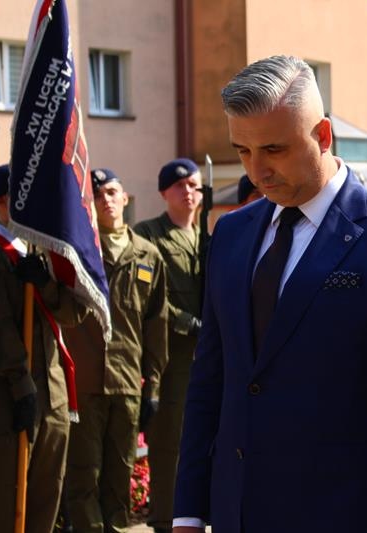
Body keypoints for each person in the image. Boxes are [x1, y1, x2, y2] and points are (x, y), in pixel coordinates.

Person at [172, 55, 367, 533]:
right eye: (243, 151)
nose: (257, 170)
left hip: (343, 512)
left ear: (323, 135)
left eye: (274, 149)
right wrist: (189, 511)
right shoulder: (232, 234)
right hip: (238, 512)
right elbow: (211, 378)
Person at [63, 169, 168, 532]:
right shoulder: (78, 254)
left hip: (127, 384)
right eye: (97, 194)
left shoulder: (148, 255)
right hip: (84, 383)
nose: (105, 199)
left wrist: (153, 387)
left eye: (111, 192)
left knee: (120, 478)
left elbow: (156, 326)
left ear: (125, 198)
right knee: (83, 477)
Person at [0, 164, 86, 533]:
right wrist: (21, 386)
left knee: (46, 498)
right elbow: (0, 328)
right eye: (20, 199)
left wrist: (45, 283)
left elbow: (75, 312)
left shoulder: (43, 251)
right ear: (1, 202)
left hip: (53, 391)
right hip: (11, 395)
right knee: (8, 499)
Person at [134, 158, 203, 533]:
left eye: (193, 185)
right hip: (170, 357)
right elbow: (147, 296)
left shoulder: (206, 238)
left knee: (202, 443)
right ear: (164, 193)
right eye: (179, 186)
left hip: (204, 357)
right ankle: (165, 521)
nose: (188, 192)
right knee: (168, 446)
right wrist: (185, 322)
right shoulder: (148, 235)